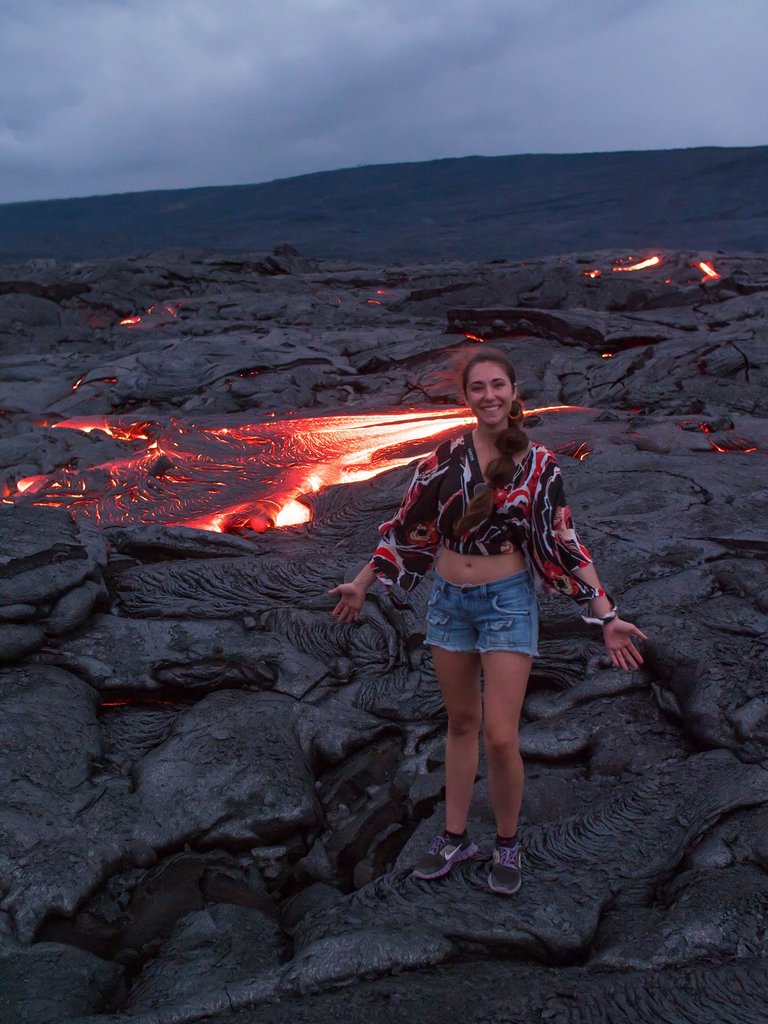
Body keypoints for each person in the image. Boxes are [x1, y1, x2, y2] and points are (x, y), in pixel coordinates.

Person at [330, 348, 646, 895]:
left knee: (501, 736)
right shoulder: (446, 456)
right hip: (449, 601)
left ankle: (507, 842)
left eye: (498, 385)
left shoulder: (540, 463)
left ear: (514, 389)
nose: (489, 396)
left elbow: (564, 542)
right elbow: (408, 527)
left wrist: (607, 614)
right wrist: (361, 582)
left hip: (507, 600)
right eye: (478, 388)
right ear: (467, 397)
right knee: (459, 725)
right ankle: (454, 836)